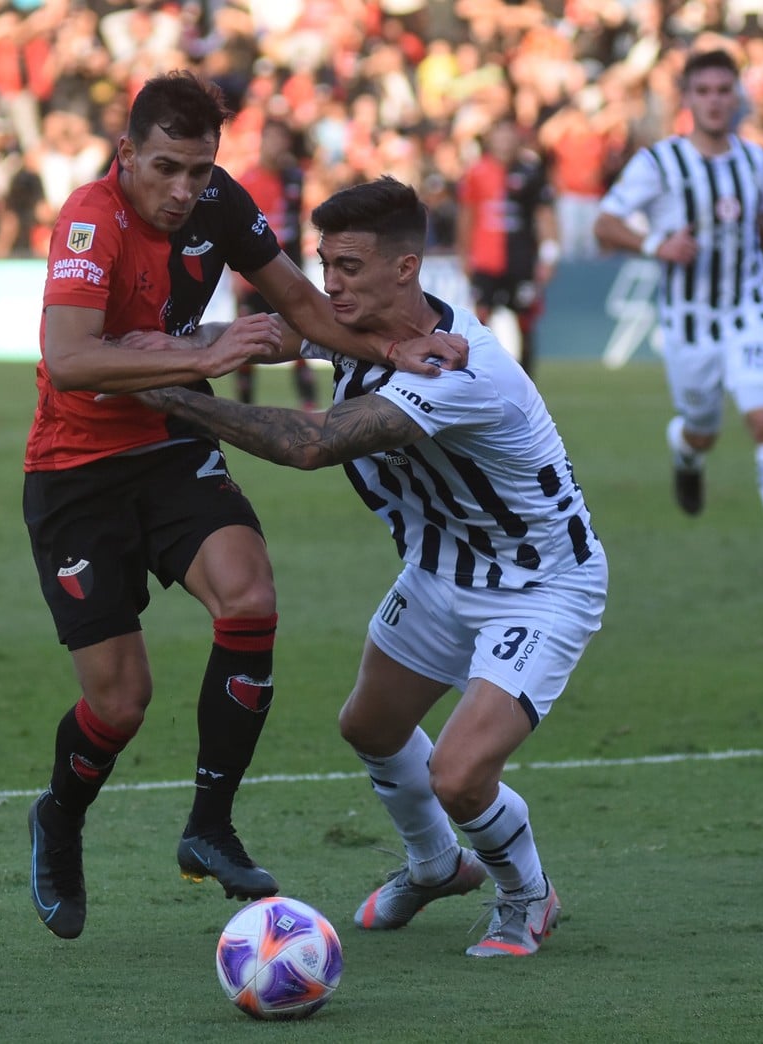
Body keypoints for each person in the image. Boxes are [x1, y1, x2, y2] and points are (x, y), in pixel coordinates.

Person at [137, 176, 608, 959]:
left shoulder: (460, 369)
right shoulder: (361, 326)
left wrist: (173, 399)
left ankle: (527, 895)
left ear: (405, 268)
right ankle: (434, 866)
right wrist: (146, 351)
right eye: (325, 263)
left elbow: (311, 443)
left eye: (349, 267)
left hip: (537, 587)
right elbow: (263, 334)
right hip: (439, 569)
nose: (330, 284)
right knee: (370, 726)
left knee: (458, 776)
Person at [23, 72, 288, 942]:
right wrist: (199, 353)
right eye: (166, 168)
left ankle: (209, 827)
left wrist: (403, 338)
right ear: (127, 153)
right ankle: (59, 816)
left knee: (249, 596)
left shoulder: (220, 205)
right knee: (121, 701)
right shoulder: (90, 217)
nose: (183, 190)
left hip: (172, 446)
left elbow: (299, 307)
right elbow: (69, 360)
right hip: (76, 472)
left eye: (199, 171)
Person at [593, 49, 763, 586]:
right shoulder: (659, 163)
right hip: (689, 323)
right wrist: (656, 244)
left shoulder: (754, 160)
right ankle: (686, 454)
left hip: (749, 309)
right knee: (702, 431)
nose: (715, 101)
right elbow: (605, 223)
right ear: (687, 99)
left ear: (737, 96)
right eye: (704, 91)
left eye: (723, 90)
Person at [457, 117, 560, 381]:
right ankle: (476, 379)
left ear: (517, 138)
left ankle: (526, 382)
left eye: (509, 134)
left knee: (524, 320)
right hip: (485, 260)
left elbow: (544, 215)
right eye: (499, 134)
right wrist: (464, 255)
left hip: (521, 259)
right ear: (490, 139)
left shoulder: (531, 172)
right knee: (479, 322)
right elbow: (467, 216)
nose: (504, 140)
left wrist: (549, 255)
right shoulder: (476, 172)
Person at [231, 119, 319, 409]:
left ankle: (309, 405)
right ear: (262, 141)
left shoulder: (294, 178)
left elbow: (297, 225)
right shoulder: (247, 182)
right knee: (249, 341)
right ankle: (244, 409)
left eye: (282, 139)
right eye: (272, 138)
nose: (276, 145)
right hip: (255, 276)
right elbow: (233, 234)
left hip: (288, 272)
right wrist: (236, 277)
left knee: (301, 334)